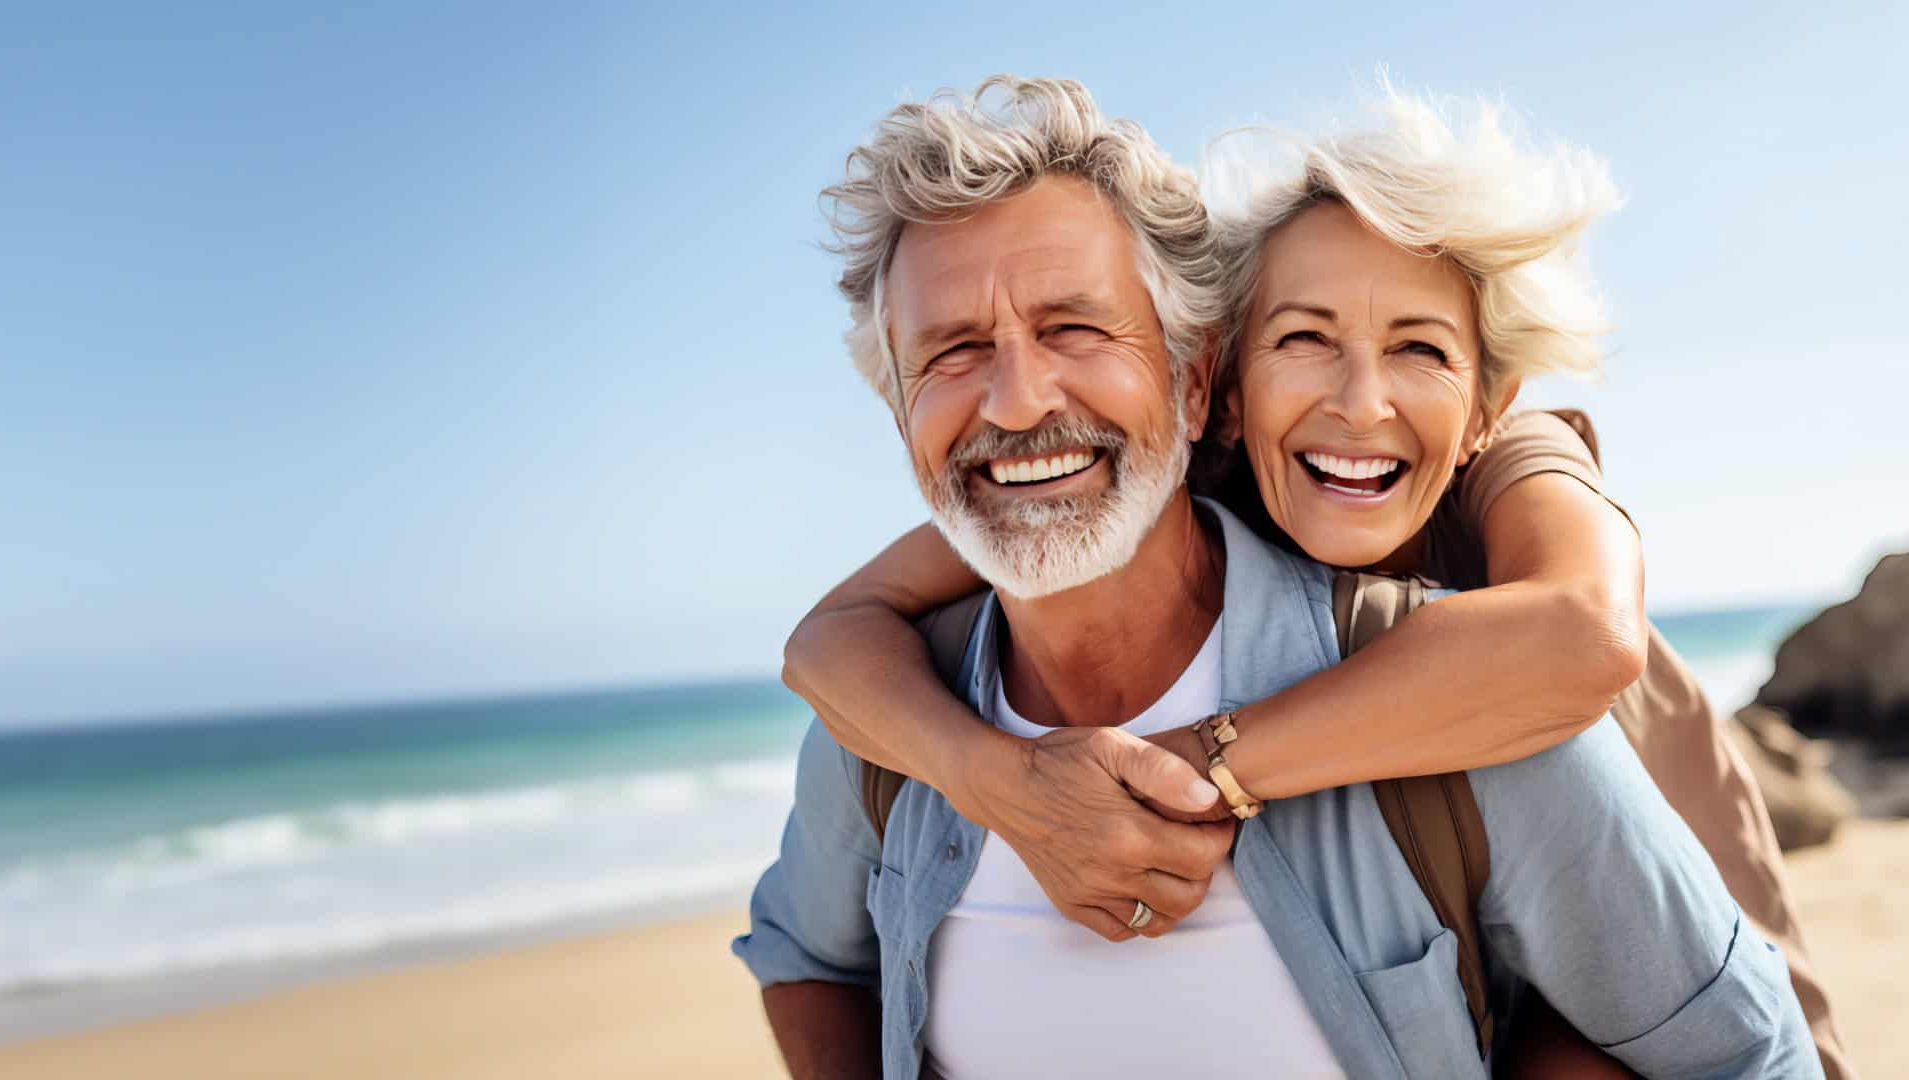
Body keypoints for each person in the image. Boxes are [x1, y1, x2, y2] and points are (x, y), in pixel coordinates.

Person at [734, 75, 1816, 1079]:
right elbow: (823, 713)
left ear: (1190, 381)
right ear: (1238, 384)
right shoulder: (890, 717)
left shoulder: (1485, 669)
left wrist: (1185, 772)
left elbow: (1586, 643)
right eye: (954, 351)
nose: (1017, 401)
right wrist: (999, 781)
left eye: (1074, 326)